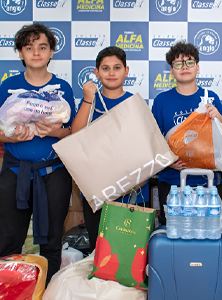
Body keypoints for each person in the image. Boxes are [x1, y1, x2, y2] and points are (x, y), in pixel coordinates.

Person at [0, 23, 77, 283]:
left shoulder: (62, 87)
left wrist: (54, 132)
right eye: (29, 48)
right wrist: (10, 136)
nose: (36, 53)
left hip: (53, 174)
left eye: (42, 47)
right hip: (14, 172)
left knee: (51, 244)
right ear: (20, 53)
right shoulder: (10, 86)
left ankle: (47, 292)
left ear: (51, 53)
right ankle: (10, 292)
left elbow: (70, 131)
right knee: (9, 244)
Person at [71, 46, 150, 251]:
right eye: (105, 68)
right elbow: (74, 135)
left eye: (117, 67)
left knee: (130, 251)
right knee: (101, 249)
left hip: (132, 189)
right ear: (96, 73)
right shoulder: (90, 101)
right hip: (98, 190)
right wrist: (88, 98)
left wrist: (138, 181)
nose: (112, 73)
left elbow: (147, 148)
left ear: (127, 71)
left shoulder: (135, 103)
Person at [151, 41, 222, 225]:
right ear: (171, 71)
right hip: (172, 181)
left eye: (189, 62)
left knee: (207, 232)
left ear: (198, 68)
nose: (184, 67)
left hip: (207, 182)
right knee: (173, 232)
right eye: (178, 63)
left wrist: (217, 116)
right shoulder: (162, 100)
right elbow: (153, 142)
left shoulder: (211, 97)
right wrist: (168, 162)